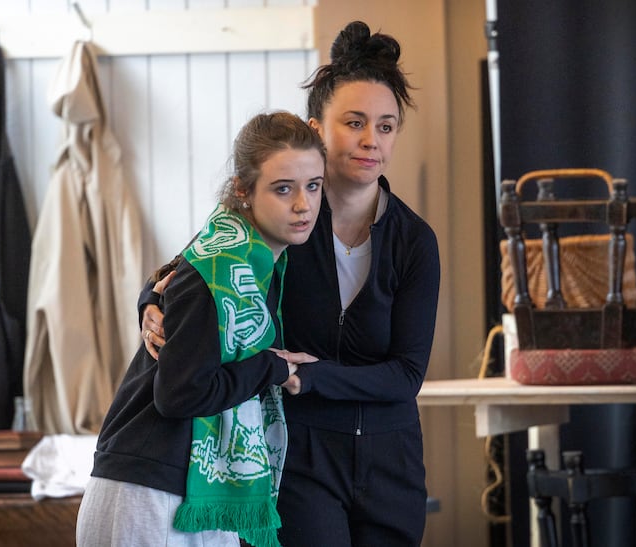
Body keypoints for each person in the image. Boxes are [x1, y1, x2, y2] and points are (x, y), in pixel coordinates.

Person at [141, 21, 440, 546]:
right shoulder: (282, 219)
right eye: (354, 122)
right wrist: (149, 303)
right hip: (299, 456)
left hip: (392, 462)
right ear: (317, 127)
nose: (372, 140)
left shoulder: (414, 241)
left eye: (387, 126)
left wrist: (306, 376)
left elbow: (405, 375)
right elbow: (193, 270)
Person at [76, 111, 325, 547]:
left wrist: (149, 297)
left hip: (180, 488)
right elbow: (180, 394)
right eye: (283, 189)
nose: (303, 204)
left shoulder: (243, 256)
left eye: (313, 186)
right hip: (150, 491)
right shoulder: (220, 267)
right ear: (243, 192)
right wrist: (273, 368)